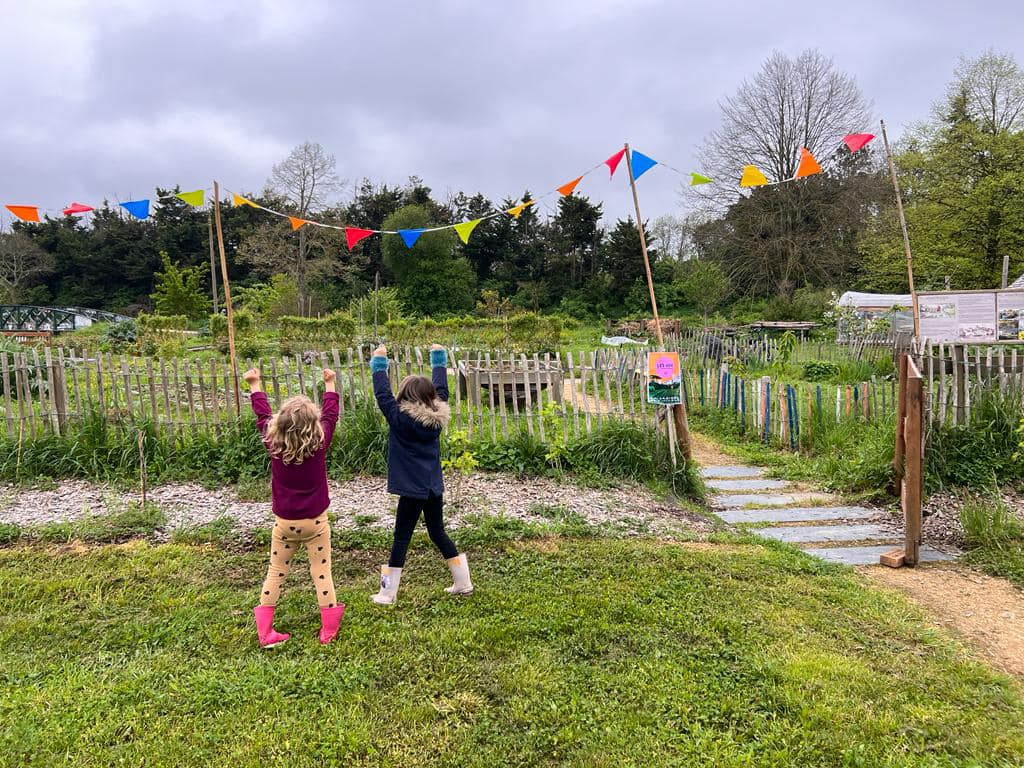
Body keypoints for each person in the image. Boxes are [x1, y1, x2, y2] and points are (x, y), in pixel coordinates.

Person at [244, 367, 344, 647]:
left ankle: (265, 633)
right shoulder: (320, 442)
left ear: (280, 424)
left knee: (276, 571)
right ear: (314, 424)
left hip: (284, 524)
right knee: (322, 573)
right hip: (316, 523)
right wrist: (330, 384)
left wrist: (255, 384)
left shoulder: (272, 442)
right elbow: (331, 414)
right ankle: (328, 631)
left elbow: (262, 415)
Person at [369, 343, 472, 605]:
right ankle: (463, 582)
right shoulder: (437, 417)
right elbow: (442, 389)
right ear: (431, 398)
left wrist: (379, 361)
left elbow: (382, 393)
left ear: (403, 396)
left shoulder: (399, 418)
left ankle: (387, 592)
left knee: (401, 537)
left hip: (411, 489)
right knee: (437, 531)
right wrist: (439, 356)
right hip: (433, 487)